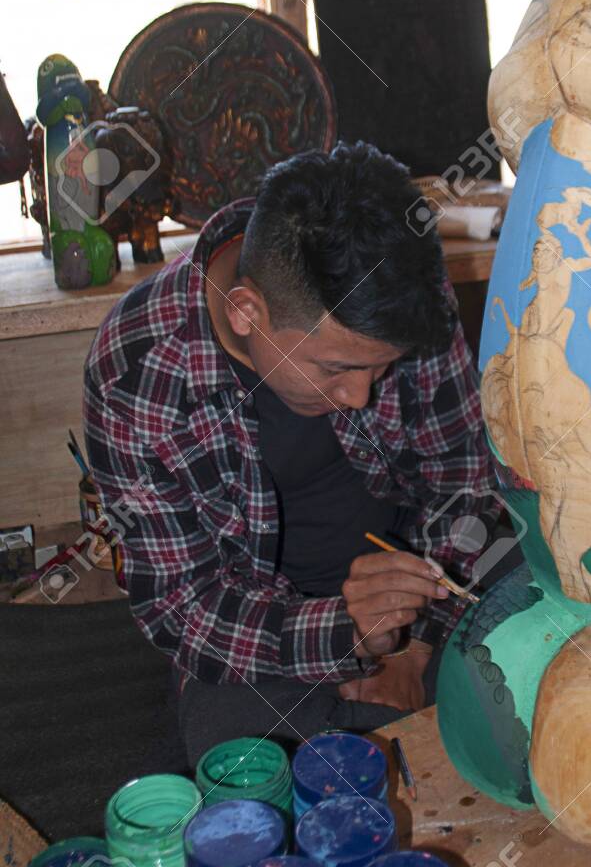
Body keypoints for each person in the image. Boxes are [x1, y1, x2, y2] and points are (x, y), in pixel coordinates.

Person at [83, 143, 502, 765]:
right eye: (335, 369)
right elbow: (182, 605)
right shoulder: (138, 369)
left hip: (427, 586)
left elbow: (464, 481)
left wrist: (412, 650)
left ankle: (411, 720)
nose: (359, 397)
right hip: (265, 632)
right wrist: (346, 634)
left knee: (548, 631)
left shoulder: (398, 286)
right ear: (246, 311)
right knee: (245, 751)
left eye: (381, 368)